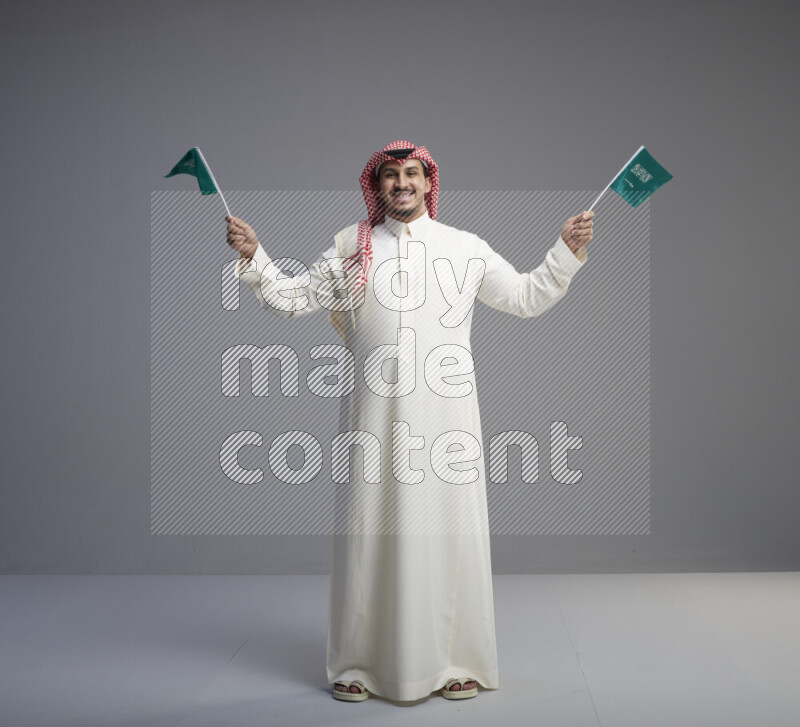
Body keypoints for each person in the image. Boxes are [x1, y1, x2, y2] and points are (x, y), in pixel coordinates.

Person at [227, 140, 593, 703]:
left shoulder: (464, 248)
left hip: (447, 423)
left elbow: (524, 296)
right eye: (392, 175)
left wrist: (564, 252)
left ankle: (456, 663)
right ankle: (358, 665)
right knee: (368, 536)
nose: (403, 183)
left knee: (448, 534)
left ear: (429, 184)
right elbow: (294, 299)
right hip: (372, 421)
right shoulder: (351, 247)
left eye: (413, 174)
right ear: (376, 187)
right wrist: (256, 257)